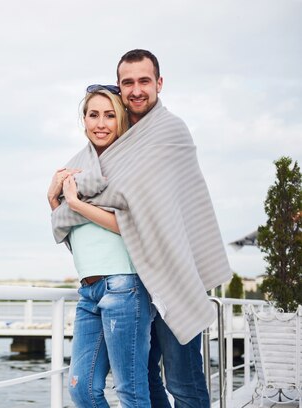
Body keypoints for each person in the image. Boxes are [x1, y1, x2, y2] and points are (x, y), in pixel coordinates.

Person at [113, 49, 227, 408]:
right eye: (127, 82)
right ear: (119, 87)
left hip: (176, 273)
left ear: (159, 84)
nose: (136, 90)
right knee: (141, 374)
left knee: (183, 380)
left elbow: (133, 197)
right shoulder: (118, 135)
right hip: (135, 279)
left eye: (144, 81)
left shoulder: (170, 130)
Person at [48, 85, 155, 408]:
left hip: (124, 286)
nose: (101, 123)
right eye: (93, 115)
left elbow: (131, 225)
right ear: (83, 120)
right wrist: (52, 198)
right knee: (82, 390)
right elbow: (69, 229)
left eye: (110, 115)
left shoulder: (130, 166)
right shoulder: (78, 170)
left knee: (130, 391)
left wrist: (76, 204)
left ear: (122, 120)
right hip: (89, 290)